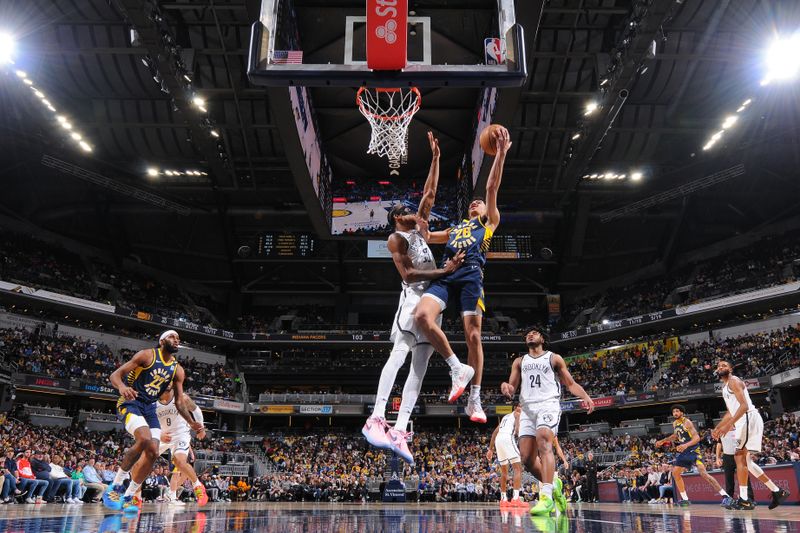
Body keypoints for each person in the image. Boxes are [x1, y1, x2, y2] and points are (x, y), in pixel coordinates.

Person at [362, 131, 468, 463]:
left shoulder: (420, 228)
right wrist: (444, 271)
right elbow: (408, 275)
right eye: (405, 209)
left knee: (420, 367)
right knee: (400, 354)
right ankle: (377, 416)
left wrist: (436, 157)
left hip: (432, 300)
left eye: (412, 208)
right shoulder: (397, 238)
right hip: (413, 299)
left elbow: (431, 192)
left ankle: (400, 427)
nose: (412, 210)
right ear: (396, 217)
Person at [414, 126, 512, 423]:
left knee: (473, 336)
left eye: (478, 201)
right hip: (446, 274)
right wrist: (435, 160)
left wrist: (501, 155)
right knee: (421, 317)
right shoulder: (454, 229)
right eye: (472, 201)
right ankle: (457, 367)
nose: (475, 202)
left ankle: (475, 399)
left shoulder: (489, 222)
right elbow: (425, 231)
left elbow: (492, 188)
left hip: (471, 275)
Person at [103, 330, 201, 514]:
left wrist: (191, 422)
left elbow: (179, 402)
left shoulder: (177, 369)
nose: (176, 340)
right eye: (173, 337)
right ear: (162, 340)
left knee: (154, 452)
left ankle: (129, 496)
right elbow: (115, 375)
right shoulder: (147, 355)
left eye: (178, 339)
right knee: (144, 438)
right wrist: (123, 387)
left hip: (149, 408)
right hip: (131, 402)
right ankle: (114, 487)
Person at [500, 328, 595, 515]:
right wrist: (506, 387)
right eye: (527, 334)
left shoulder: (554, 358)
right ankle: (554, 482)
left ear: (542, 338)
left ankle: (546, 496)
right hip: (527, 408)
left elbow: (570, 383)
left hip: (548, 404)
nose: (530, 335)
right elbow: (512, 388)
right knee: (526, 459)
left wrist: (585, 396)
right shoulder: (519, 362)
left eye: (534, 333)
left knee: (544, 439)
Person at [711, 359, 790, 510]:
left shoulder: (734, 381)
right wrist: (718, 427)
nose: (721, 367)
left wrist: (728, 425)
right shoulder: (724, 387)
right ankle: (777, 491)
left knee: (739, 456)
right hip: (743, 420)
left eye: (724, 365)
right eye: (719, 366)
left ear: (730, 369)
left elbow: (744, 406)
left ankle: (744, 499)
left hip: (748, 417)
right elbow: (730, 412)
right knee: (747, 463)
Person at [655, 405, 731, 507]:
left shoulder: (687, 422)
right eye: (673, 412)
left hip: (693, 450)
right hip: (684, 451)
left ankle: (725, 496)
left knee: (703, 473)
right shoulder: (675, 423)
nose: (675, 413)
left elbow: (697, 438)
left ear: (682, 412)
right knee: (675, 473)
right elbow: (676, 436)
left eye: (677, 411)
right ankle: (685, 499)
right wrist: (663, 441)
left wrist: (685, 445)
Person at [149, 386, 208, 505]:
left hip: (180, 434)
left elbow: (196, 410)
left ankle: (198, 487)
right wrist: (159, 434)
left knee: (180, 462)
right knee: (143, 463)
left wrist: (201, 427)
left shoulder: (182, 398)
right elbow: (146, 422)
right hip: (162, 435)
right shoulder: (151, 402)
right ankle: (134, 495)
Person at [487, 405, 525, 507]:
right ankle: (516, 498)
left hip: (498, 440)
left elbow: (494, 433)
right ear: (517, 407)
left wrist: (490, 449)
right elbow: (517, 431)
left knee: (504, 471)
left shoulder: (506, 417)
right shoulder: (518, 414)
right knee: (518, 469)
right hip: (508, 438)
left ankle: (503, 499)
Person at [715, 427, 753, 502]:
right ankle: (730, 499)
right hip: (727, 457)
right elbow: (719, 445)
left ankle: (749, 498)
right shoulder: (721, 432)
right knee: (729, 479)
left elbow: (744, 443)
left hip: (739, 455)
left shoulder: (738, 430)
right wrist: (717, 458)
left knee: (745, 477)